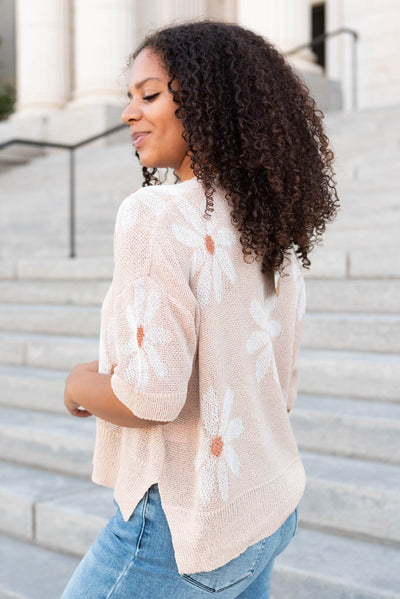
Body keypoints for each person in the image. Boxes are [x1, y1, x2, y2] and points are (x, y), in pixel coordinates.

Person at [61, 19, 339, 599]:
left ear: (209, 99)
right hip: (266, 506)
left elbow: (150, 398)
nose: (128, 113)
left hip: (181, 529)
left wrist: (77, 384)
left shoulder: (155, 215)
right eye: (128, 98)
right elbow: (280, 385)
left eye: (150, 94)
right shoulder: (269, 223)